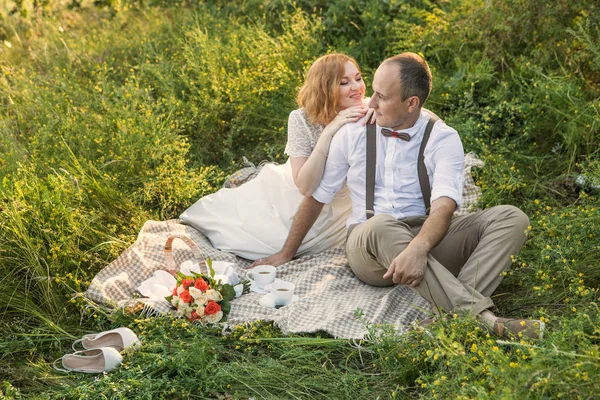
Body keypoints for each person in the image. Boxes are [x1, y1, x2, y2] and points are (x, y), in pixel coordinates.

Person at [255, 52, 545, 339]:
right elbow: (317, 197)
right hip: (368, 244)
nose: (370, 102)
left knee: (512, 218)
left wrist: (418, 248)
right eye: (374, 92)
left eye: (381, 96)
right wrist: (286, 253)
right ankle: (489, 323)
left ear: (411, 103)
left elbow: (444, 206)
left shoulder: (442, 137)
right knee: (381, 225)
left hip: (426, 237)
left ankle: (451, 322)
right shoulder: (352, 131)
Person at [180, 53, 373, 260]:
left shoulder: (370, 109)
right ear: (325, 88)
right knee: (258, 240)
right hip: (299, 197)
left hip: (343, 206)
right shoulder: (301, 119)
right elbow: (306, 187)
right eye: (344, 82)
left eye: (358, 78)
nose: (357, 87)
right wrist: (329, 132)